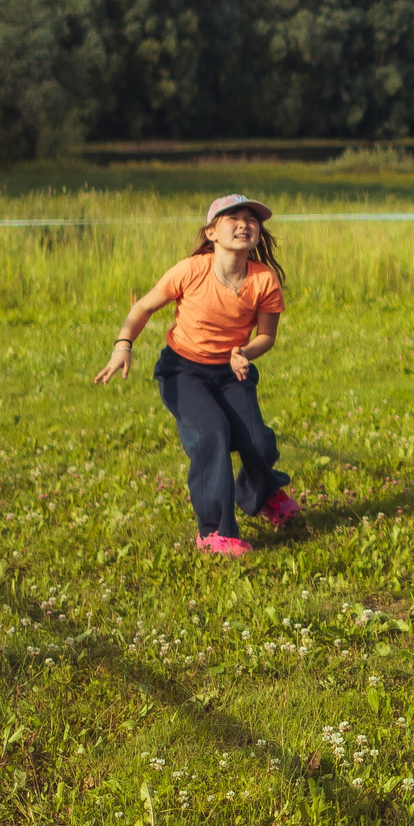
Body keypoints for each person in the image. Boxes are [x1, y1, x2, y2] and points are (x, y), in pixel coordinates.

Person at [94, 193, 298, 557]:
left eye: (251, 219)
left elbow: (266, 336)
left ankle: (263, 495)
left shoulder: (264, 280)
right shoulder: (191, 270)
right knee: (211, 435)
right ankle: (214, 533)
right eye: (232, 218)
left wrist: (244, 353)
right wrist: (122, 344)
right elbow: (143, 306)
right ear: (211, 232)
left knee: (258, 444)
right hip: (183, 370)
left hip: (232, 371)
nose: (243, 224)